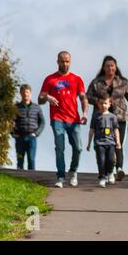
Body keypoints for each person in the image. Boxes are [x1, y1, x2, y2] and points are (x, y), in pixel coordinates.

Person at [87, 55, 128, 182]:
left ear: (116, 67)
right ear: (103, 68)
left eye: (112, 65)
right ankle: (107, 171)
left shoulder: (123, 82)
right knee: (104, 145)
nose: (110, 68)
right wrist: (99, 101)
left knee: (118, 144)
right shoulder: (96, 82)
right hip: (102, 119)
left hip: (120, 117)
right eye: (107, 66)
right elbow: (87, 96)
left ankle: (119, 169)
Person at [38, 51, 88, 188]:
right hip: (57, 118)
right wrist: (47, 97)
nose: (65, 64)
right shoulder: (50, 79)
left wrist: (84, 113)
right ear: (57, 62)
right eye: (62, 61)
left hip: (73, 119)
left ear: (70, 62)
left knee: (78, 148)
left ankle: (73, 171)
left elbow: (83, 97)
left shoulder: (76, 79)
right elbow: (40, 98)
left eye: (67, 61)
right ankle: (60, 176)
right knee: (60, 147)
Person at [86, 93, 121, 187]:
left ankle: (110, 173)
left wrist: (118, 142)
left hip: (111, 142)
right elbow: (91, 130)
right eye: (101, 103)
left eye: (105, 103)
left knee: (110, 160)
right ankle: (102, 177)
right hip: (99, 143)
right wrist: (89, 143)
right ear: (98, 104)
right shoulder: (96, 116)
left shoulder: (112, 117)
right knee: (101, 160)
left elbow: (116, 129)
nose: (103, 106)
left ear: (109, 104)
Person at [11, 84, 45, 170]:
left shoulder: (36, 108)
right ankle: (18, 180)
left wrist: (36, 133)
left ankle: (32, 179)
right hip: (20, 137)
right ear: (21, 94)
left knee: (31, 159)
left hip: (31, 137)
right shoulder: (16, 107)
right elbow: (10, 122)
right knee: (20, 159)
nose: (26, 94)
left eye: (27, 92)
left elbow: (42, 122)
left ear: (30, 93)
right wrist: (14, 134)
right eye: (24, 92)